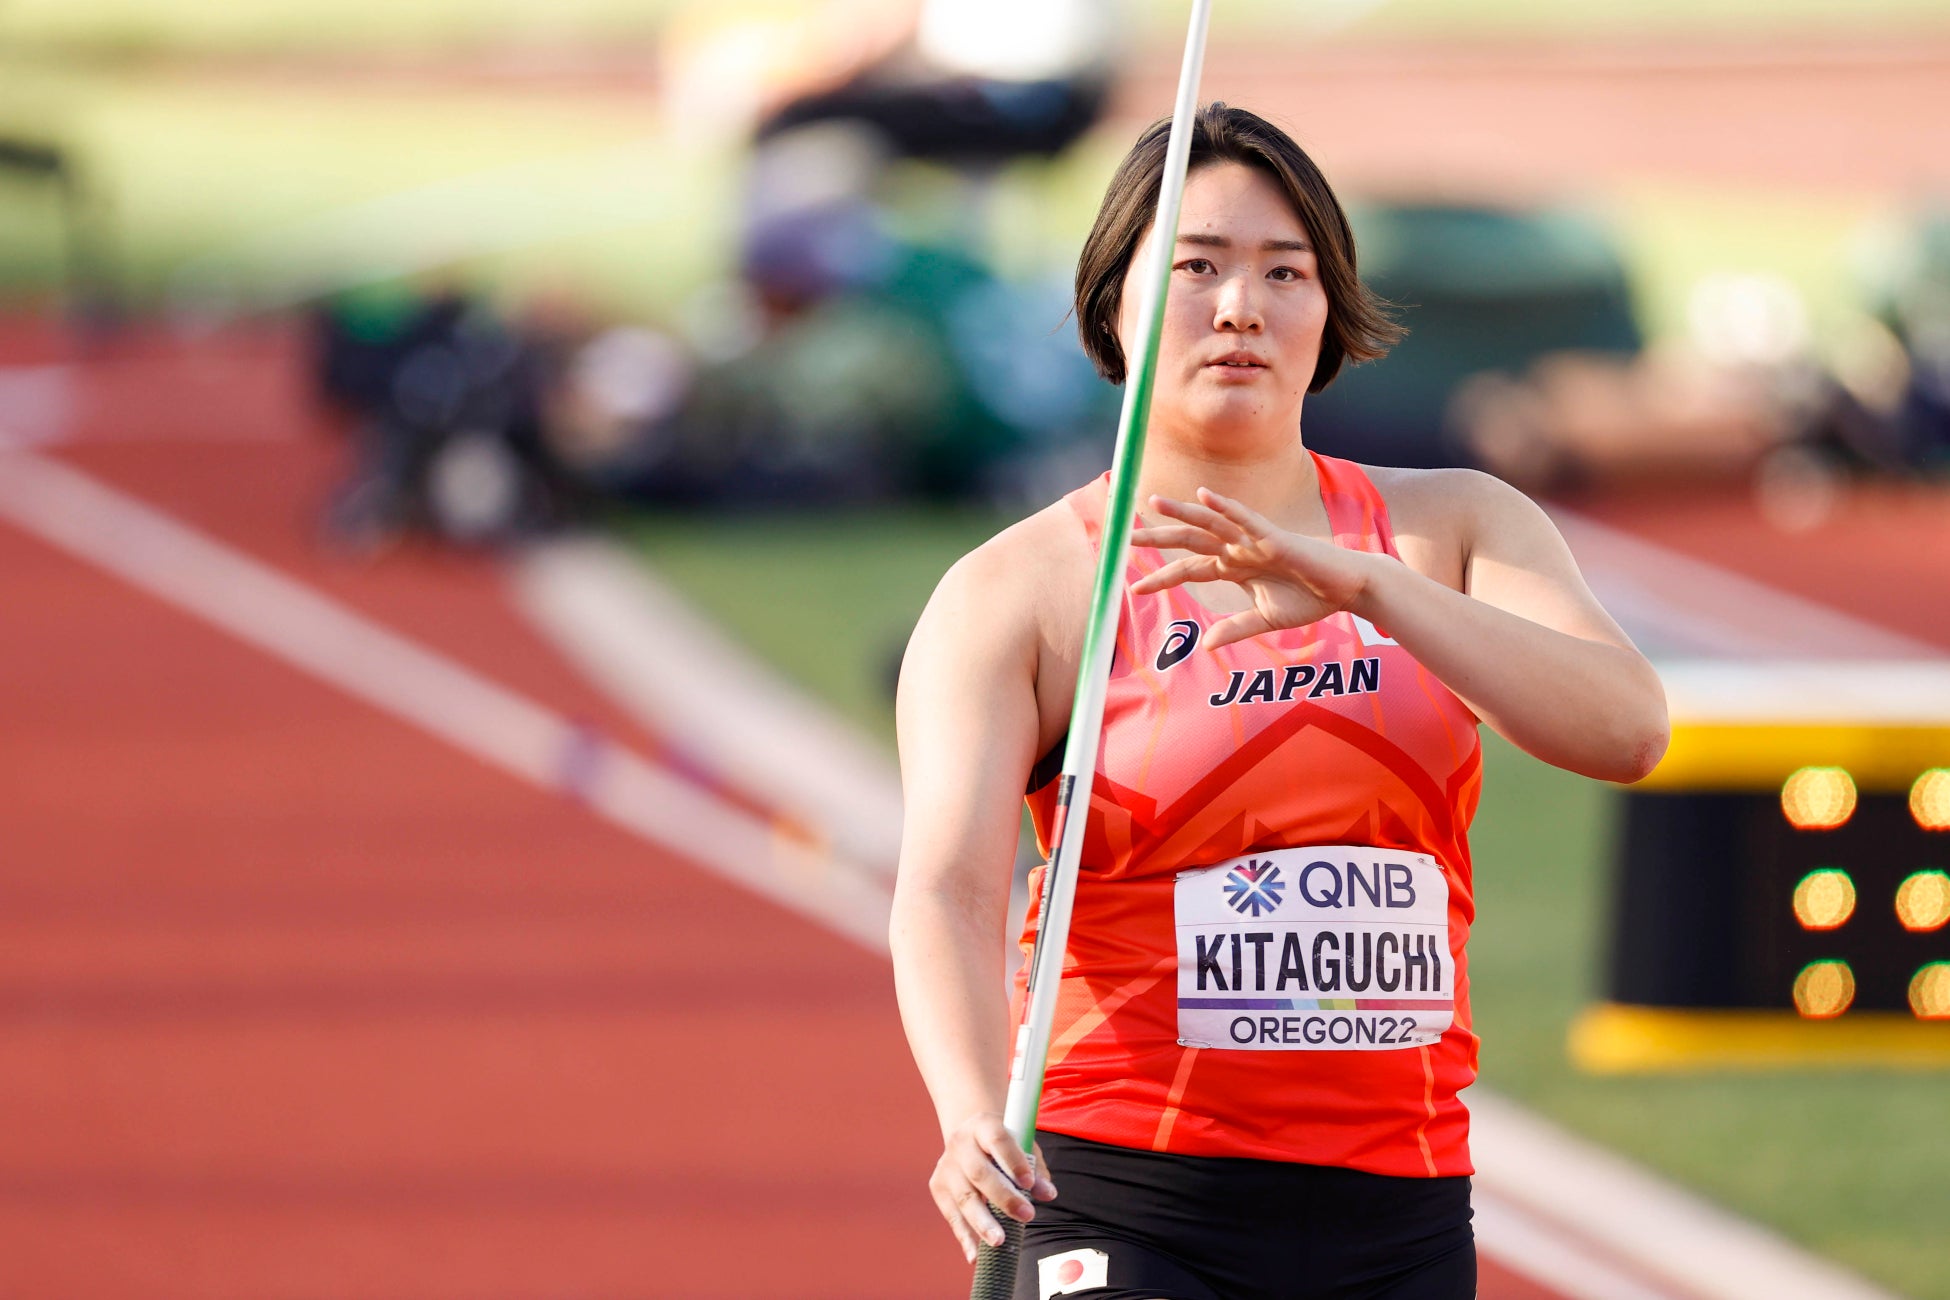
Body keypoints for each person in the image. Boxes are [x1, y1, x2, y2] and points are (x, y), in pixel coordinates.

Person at [889, 104, 1669, 1300]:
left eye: (1283, 271)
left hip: (1397, 1208)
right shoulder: (1025, 589)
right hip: (1119, 1187)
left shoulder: (1452, 527)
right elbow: (949, 886)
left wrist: (1373, 585)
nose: (1241, 306)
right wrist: (965, 1112)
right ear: (1114, 303)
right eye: (1196, 265)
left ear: (1330, 307)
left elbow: (1626, 729)